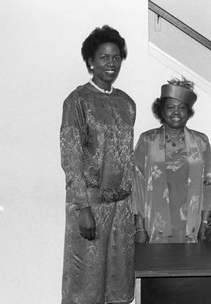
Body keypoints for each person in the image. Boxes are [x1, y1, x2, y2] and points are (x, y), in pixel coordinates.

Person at [60, 25, 135, 304]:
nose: (111, 63)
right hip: (89, 204)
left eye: (116, 57)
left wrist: (132, 207)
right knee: (86, 286)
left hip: (121, 209)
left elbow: (126, 159)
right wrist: (83, 209)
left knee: (117, 281)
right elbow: (71, 158)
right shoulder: (77, 101)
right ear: (90, 61)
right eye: (104, 57)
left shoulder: (127, 103)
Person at [133, 77, 211, 244]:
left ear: (188, 112)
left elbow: (209, 184)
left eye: (182, 107)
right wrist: (139, 228)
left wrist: (205, 223)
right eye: (170, 107)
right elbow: (137, 186)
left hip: (191, 223)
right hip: (154, 223)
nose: (176, 112)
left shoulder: (201, 142)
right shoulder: (147, 140)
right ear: (162, 111)